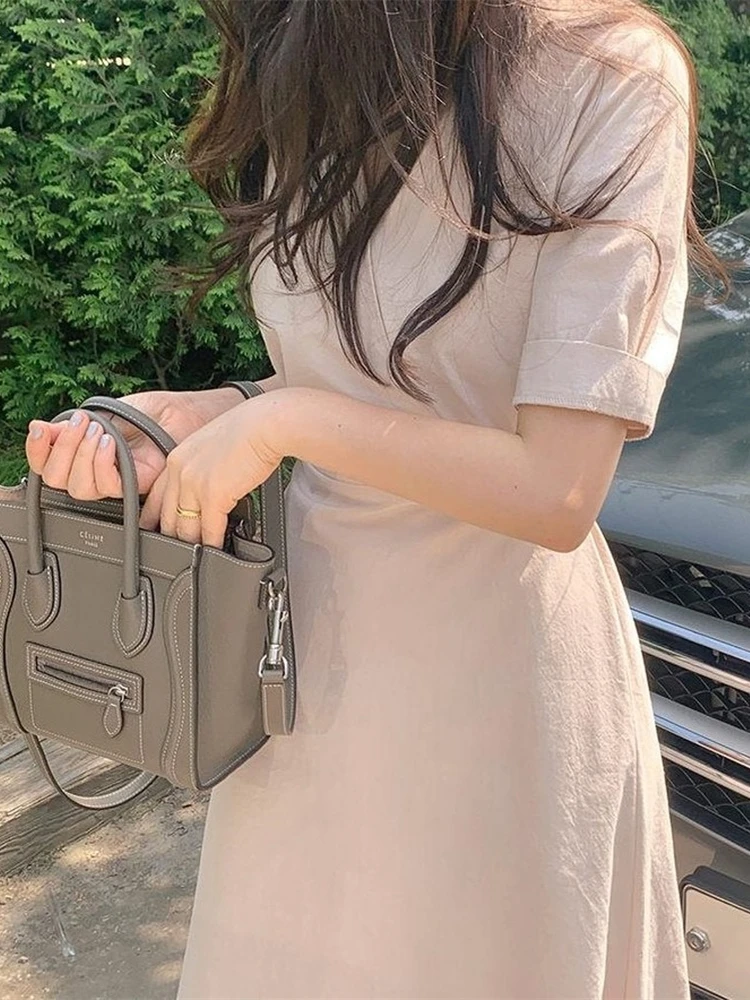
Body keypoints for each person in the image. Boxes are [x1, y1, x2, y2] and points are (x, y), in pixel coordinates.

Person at [26, 1, 726, 997]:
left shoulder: (609, 73)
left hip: (496, 687)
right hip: (301, 674)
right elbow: (369, 382)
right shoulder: (323, 52)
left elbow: (557, 488)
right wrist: (210, 412)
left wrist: (283, 423)